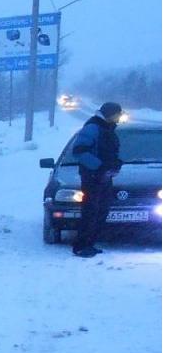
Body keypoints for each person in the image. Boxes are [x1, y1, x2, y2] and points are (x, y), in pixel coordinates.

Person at [70, 101, 124, 258]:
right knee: (91, 211)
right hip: (92, 176)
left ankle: (90, 243)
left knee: (101, 210)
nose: (119, 117)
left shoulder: (107, 128)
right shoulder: (93, 127)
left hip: (103, 176)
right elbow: (79, 151)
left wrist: (115, 163)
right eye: (118, 113)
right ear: (109, 114)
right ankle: (81, 246)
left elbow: (110, 151)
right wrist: (100, 167)